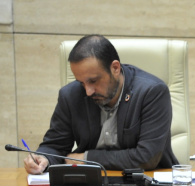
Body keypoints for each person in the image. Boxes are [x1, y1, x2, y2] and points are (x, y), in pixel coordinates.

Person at [24, 35, 177, 174]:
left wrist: (86, 158)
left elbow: (147, 157)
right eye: (81, 83)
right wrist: (43, 158)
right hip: (91, 183)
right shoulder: (70, 95)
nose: (88, 91)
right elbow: (54, 146)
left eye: (93, 81)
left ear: (115, 68)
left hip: (146, 183)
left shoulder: (152, 92)